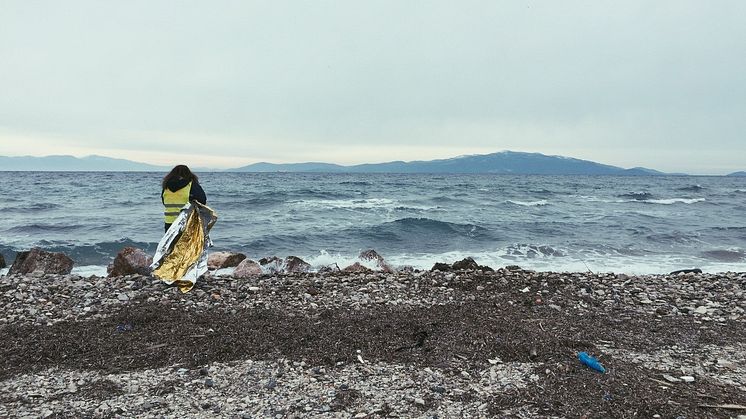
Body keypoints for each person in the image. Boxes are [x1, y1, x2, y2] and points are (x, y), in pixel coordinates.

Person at [161, 165, 207, 232]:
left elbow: (164, 202)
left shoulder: (166, 187)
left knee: (172, 242)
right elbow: (202, 200)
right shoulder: (191, 185)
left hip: (169, 222)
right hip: (186, 222)